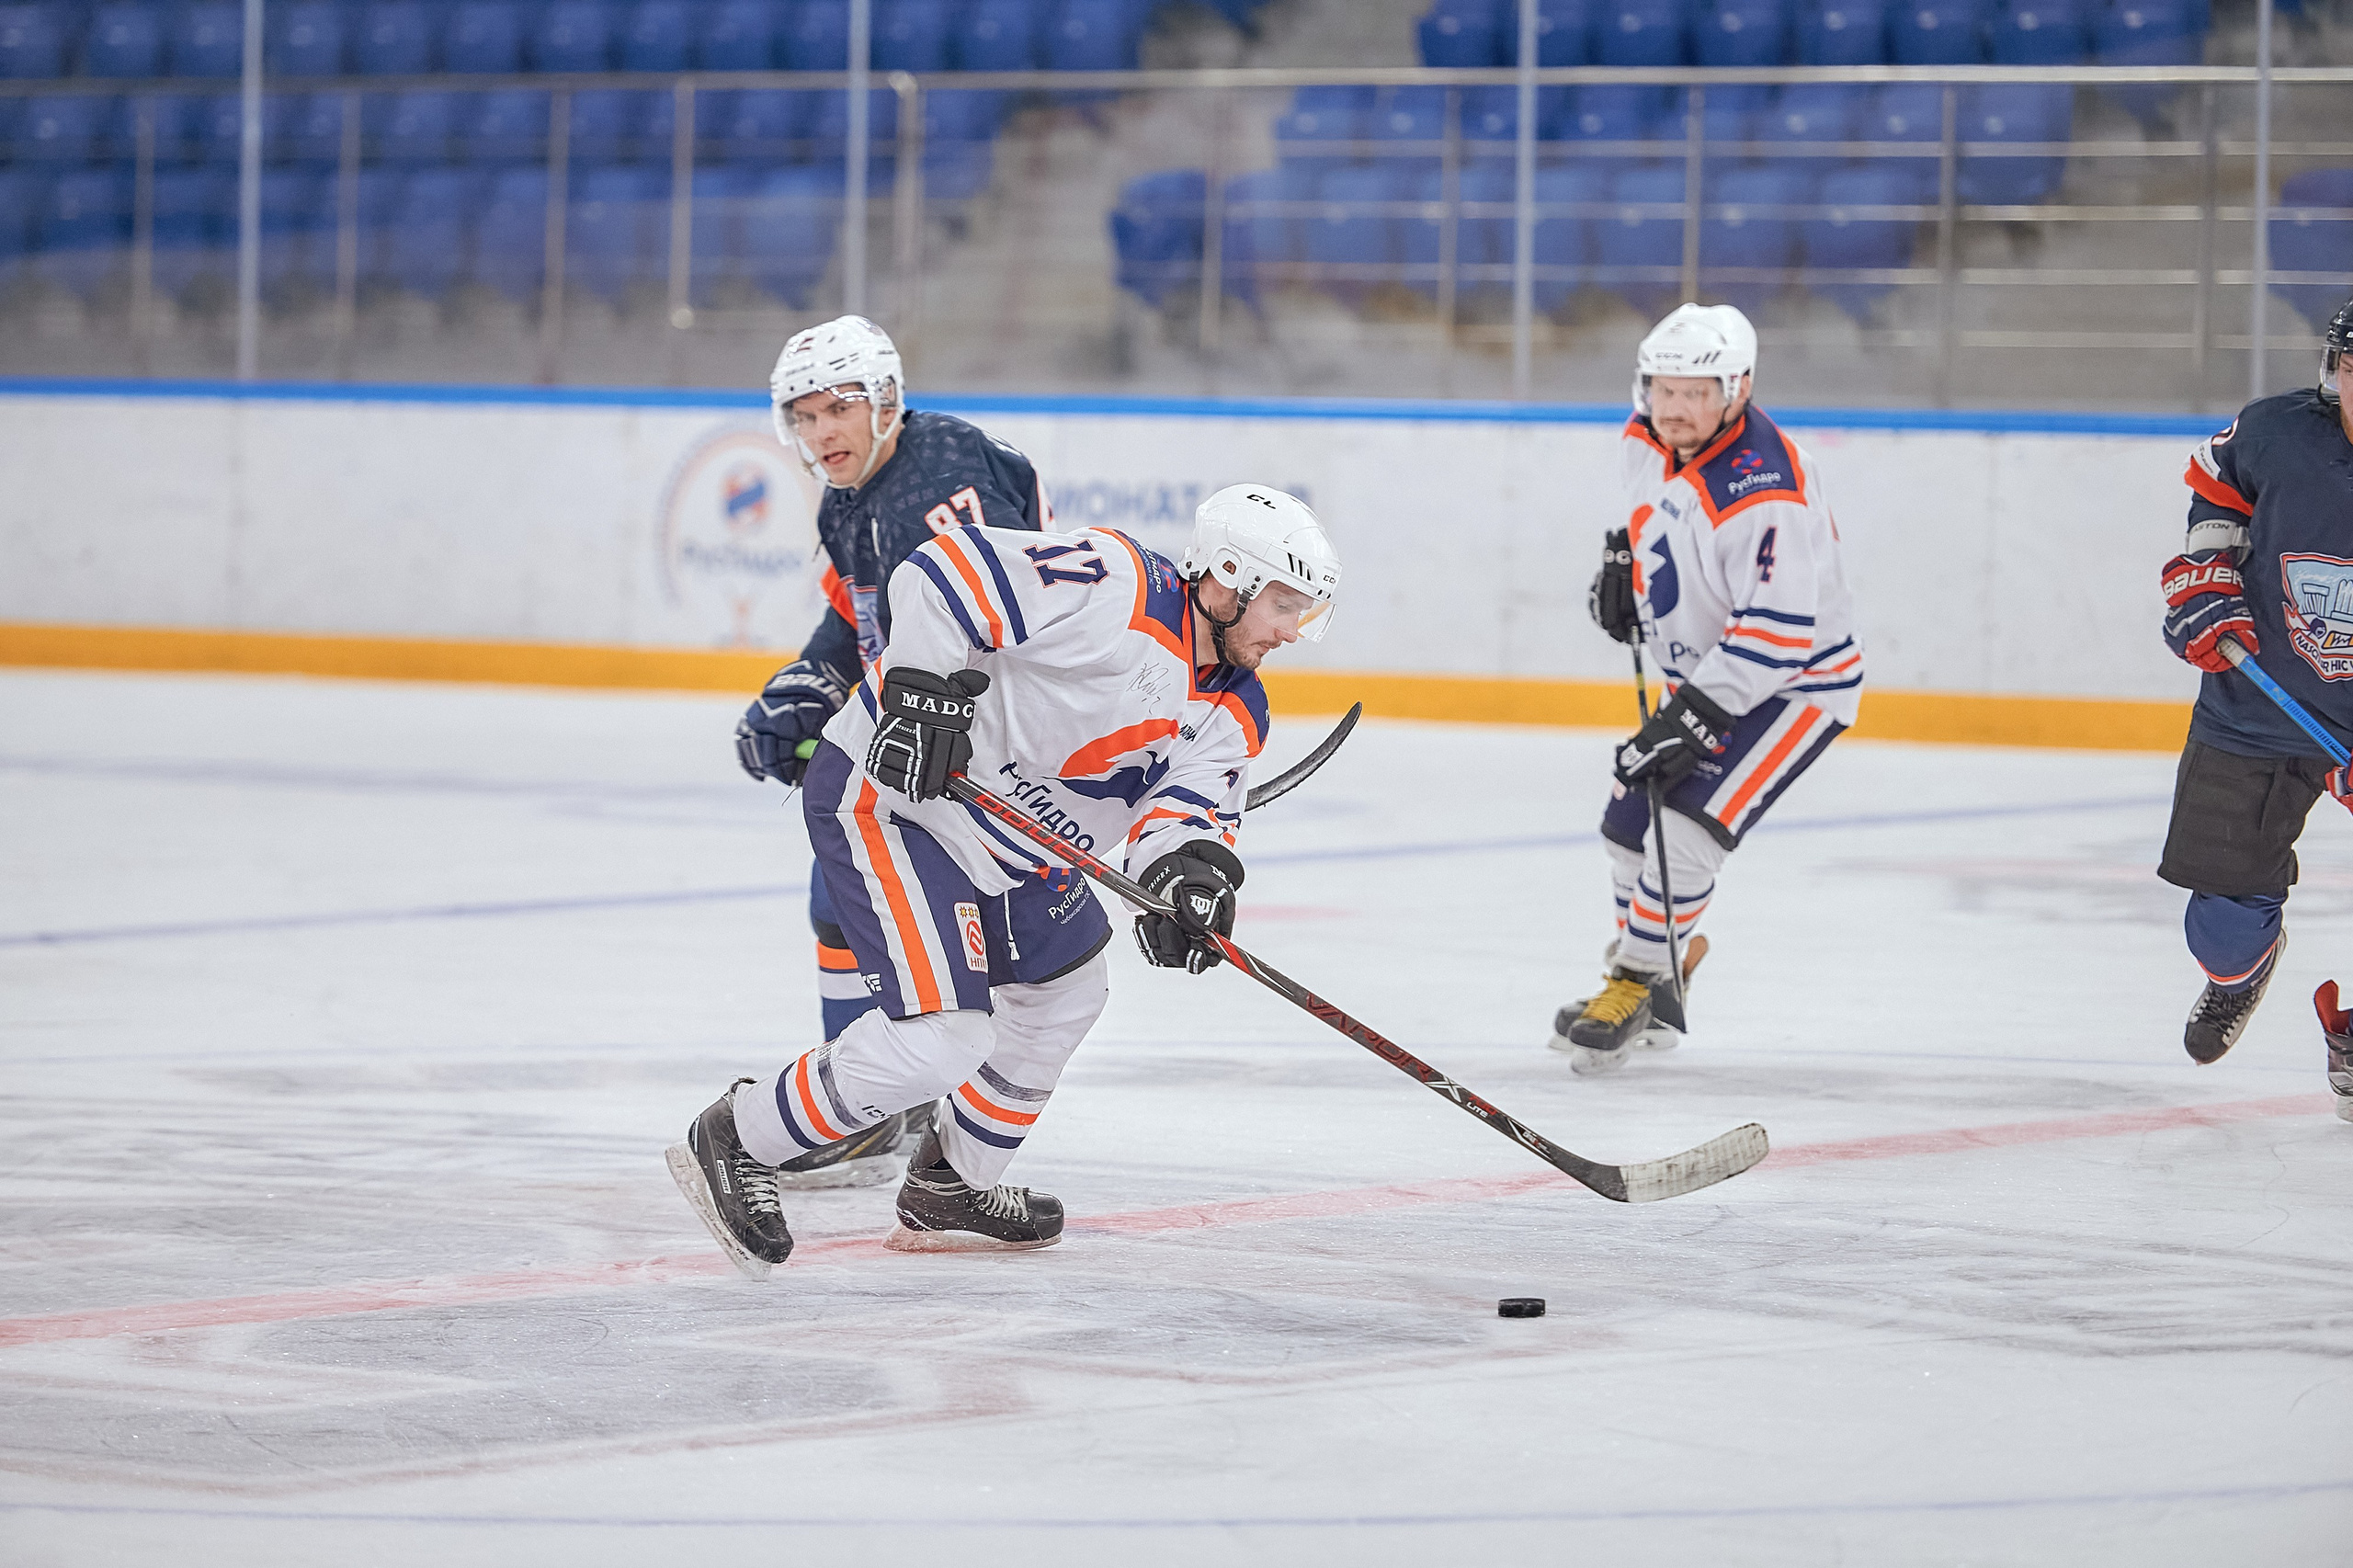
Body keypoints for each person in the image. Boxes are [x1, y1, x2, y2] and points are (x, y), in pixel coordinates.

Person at [669, 486, 1343, 1274]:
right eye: (1287, 605)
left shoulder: (1237, 711)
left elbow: (1185, 819)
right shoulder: (1113, 582)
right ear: (1228, 578)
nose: (1294, 631)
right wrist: (920, 690)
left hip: (1019, 849)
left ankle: (951, 1185)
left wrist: (1184, 883)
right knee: (939, 1040)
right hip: (902, 804)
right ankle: (737, 1135)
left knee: (1068, 995)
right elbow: (941, 572)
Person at [731, 315, 1052, 1186]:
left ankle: (925, 1112)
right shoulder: (852, 498)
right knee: (839, 898)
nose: (821, 431)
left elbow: (997, 619)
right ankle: (875, 1099)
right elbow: (861, 617)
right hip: (928, 730)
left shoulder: (946, 470)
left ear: (886, 402)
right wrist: (808, 682)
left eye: (838, 407)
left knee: (1024, 962)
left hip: (992, 740)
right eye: (804, 415)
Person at [1551, 302, 1865, 1074]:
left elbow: (1779, 632)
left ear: (1740, 389)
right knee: (1629, 829)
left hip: (1793, 688)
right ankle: (1663, 967)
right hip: (1710, 678)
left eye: (1698, 392)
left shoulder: (1766, 488)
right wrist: (1626, 571)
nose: (1677, 408)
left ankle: (1635, 980)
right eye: (1665, 389)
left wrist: (1692, 717)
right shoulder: (1645, 437)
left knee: (1685, 834)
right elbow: (1650, 515)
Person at [2157, 294, 2353, 1066]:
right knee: (2222, 912)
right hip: (2259, 702)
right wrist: (2206, 578)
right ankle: (2240, 972)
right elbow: (2220, 491)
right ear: (2334, 372)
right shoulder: (2273, 433)